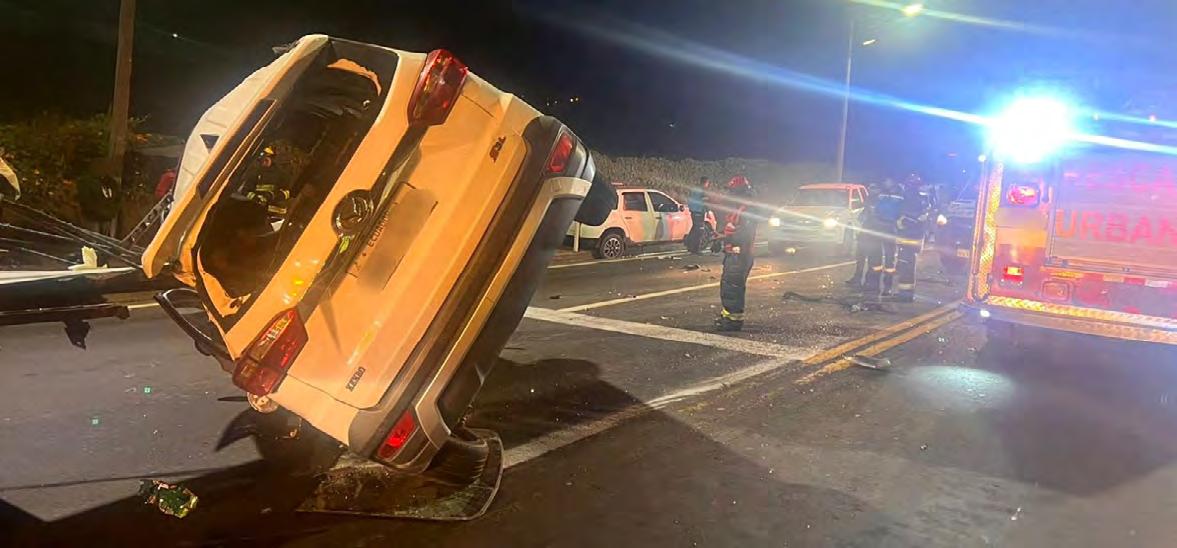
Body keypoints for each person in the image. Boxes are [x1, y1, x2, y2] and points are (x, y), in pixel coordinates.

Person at [716, 176, 759, 332]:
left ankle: (733, 321)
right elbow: (732, 227)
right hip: (734, 253)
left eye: (732, 191)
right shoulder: (740, 207)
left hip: (740, 254)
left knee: (732, 288)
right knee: (729, 286)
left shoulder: (747, 209)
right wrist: (721, 237)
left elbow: (744, 235)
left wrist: (725, 237)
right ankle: (728, 317)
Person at [894, 174, 932, 302]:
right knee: (907, 264)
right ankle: (905, 293)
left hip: (910, 237)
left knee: (906, 265)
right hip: (912, 237)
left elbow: (913, 217)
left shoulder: (911, 199)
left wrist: (903, 220)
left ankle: (905, 295)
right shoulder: (922, 199)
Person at [863, 178, 903, 296]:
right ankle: (873, 285)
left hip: (890, 228)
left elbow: (901, 212)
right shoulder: (881, 194)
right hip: (878, 227)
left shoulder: (900, 195)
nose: (886, 183)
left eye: (888, 181)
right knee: (875, 259)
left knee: (889, 260)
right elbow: (872, 208)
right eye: (885, 181)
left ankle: (887, 287)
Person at [845, 182, 881, 286]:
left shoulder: (879, 200)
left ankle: (870, 281)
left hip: (874, 233)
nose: (871, 189)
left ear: (878, 189)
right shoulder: (869, 199)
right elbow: (863, 214)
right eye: (870, 188)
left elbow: (876, 215)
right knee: (860, 257)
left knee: (872, 259)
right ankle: (858, 278)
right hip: (865, 231)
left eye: (873, 188)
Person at [685, 176, 712, 254]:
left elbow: (689, 199)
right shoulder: (703, 191)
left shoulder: (694, 189)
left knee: (694, 229)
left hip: (693, 211)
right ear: (706, 182)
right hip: (699, 211)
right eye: (708, 183)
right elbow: (705, 202)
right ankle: (695, 249)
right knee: (699, 231)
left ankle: (689, 246)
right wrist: (708, 212)